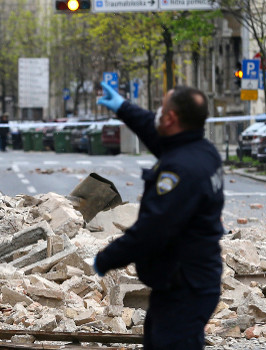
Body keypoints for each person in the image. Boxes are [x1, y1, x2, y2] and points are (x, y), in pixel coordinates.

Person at [95, 82, 224, 350]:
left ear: (172, 118)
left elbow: (151, 231)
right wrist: (123, 107)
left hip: (186, 287)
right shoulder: (201, 151)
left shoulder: (179, 171)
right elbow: (155, 133)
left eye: (161, 108)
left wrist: (105, 259)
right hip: (187, 282)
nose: (156, 113)